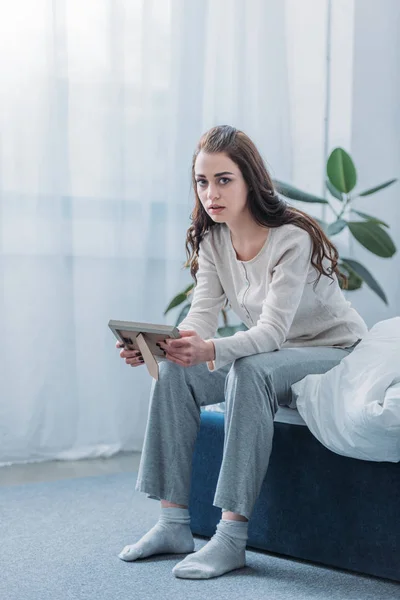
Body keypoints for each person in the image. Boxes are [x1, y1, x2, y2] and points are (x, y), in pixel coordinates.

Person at [116, 125, 368, 579]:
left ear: (250, 180)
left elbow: (271, 333)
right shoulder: (213, 241)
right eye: (202, 181)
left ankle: (231, 537)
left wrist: (210, 348)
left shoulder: (293, 238)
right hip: (276, 355)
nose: (211, 193)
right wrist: (165, 347)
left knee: (249, 369)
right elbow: (202, 316)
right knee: (174, 372)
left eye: (224, 179)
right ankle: (173, 522)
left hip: (333, 352)